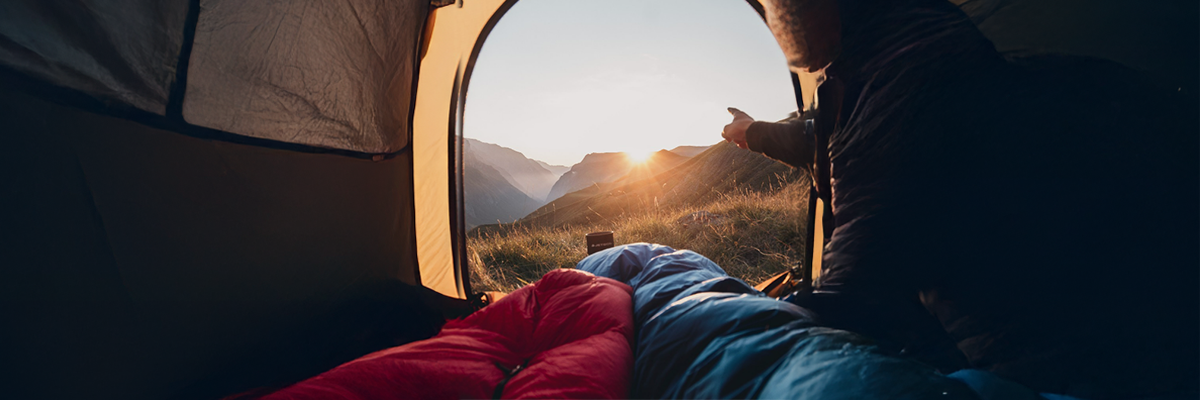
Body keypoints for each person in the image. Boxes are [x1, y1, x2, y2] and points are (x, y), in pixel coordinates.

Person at [722, 0, 1199, 398]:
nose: (780, 18)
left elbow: (852, 301)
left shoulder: (902, 88)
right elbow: (830, 139)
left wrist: (717, 317)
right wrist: (752, 131)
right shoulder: (924, 49)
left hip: (1073, 373)